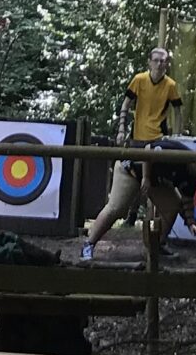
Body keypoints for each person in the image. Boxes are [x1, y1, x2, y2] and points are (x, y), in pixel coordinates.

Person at [79, 44, 184, 261]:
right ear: (149, 62)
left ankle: (157, 245)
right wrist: (121, 128)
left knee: (173, 204)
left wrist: (177, 135)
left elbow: (178, 111)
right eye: (156, 60)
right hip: (135, 153)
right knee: (116, 208)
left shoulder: (171, 86)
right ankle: (88, 245)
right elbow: (125, 104)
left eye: (164, 61)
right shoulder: (139, 80)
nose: (160, 64)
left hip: (156, 150)